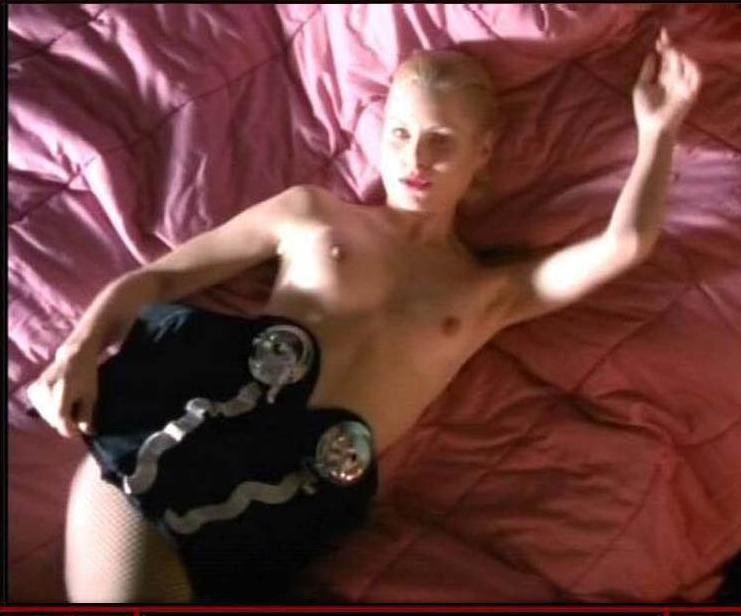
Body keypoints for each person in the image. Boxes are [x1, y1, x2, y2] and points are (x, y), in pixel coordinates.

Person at [26, 29, 701, 603]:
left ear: (484, 152)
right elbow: (162, 278)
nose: (415, 158)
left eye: (441, 140)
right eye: (401, 133)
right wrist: (77, 352)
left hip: (284, 512)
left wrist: (659, 131)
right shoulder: (312, 215)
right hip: (172, 451)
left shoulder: (485, 293)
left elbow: (624, 246)